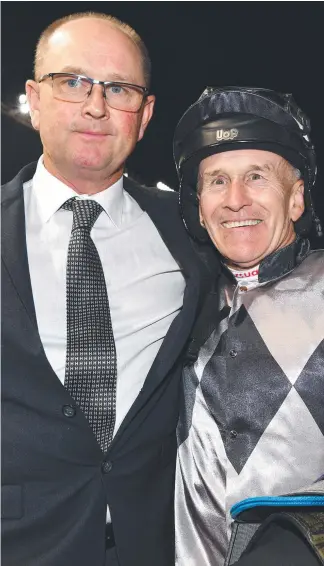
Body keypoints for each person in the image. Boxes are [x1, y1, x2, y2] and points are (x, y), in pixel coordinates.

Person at [1, 12, 214, 566]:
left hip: (154, 543)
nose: (95, 106)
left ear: (144, 116)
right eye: (72, 82)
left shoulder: (195, 234)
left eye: (118, 88)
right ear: (36, 98)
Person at [173, 86, 324, 565]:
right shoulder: (179, 300)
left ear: (296, 198)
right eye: (217, 181)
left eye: (256, 177)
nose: (235, 200)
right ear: (199, 207)